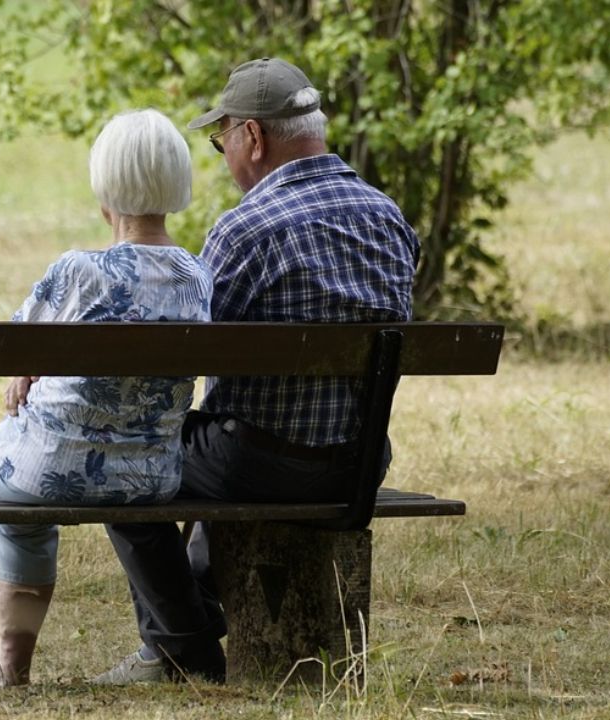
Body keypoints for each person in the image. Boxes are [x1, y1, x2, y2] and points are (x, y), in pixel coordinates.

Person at [93, 57, 420, 684]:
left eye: (221, 143)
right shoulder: (389, 218)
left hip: (261, 465)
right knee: (223, 432)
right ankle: (198, 608)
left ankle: (181, 647)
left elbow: (188, 357)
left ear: (253, 137)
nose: (224, 157)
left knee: (123, 456)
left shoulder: (245, 230)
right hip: (359, 464)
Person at [0, 109, 212, 692]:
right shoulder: (197, 276)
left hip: (47, 468)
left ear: (105, 186)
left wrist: (26, 370)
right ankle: (10, 671)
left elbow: (11, 346)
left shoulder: (79, 271)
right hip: (149, 477)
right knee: (18, 499)